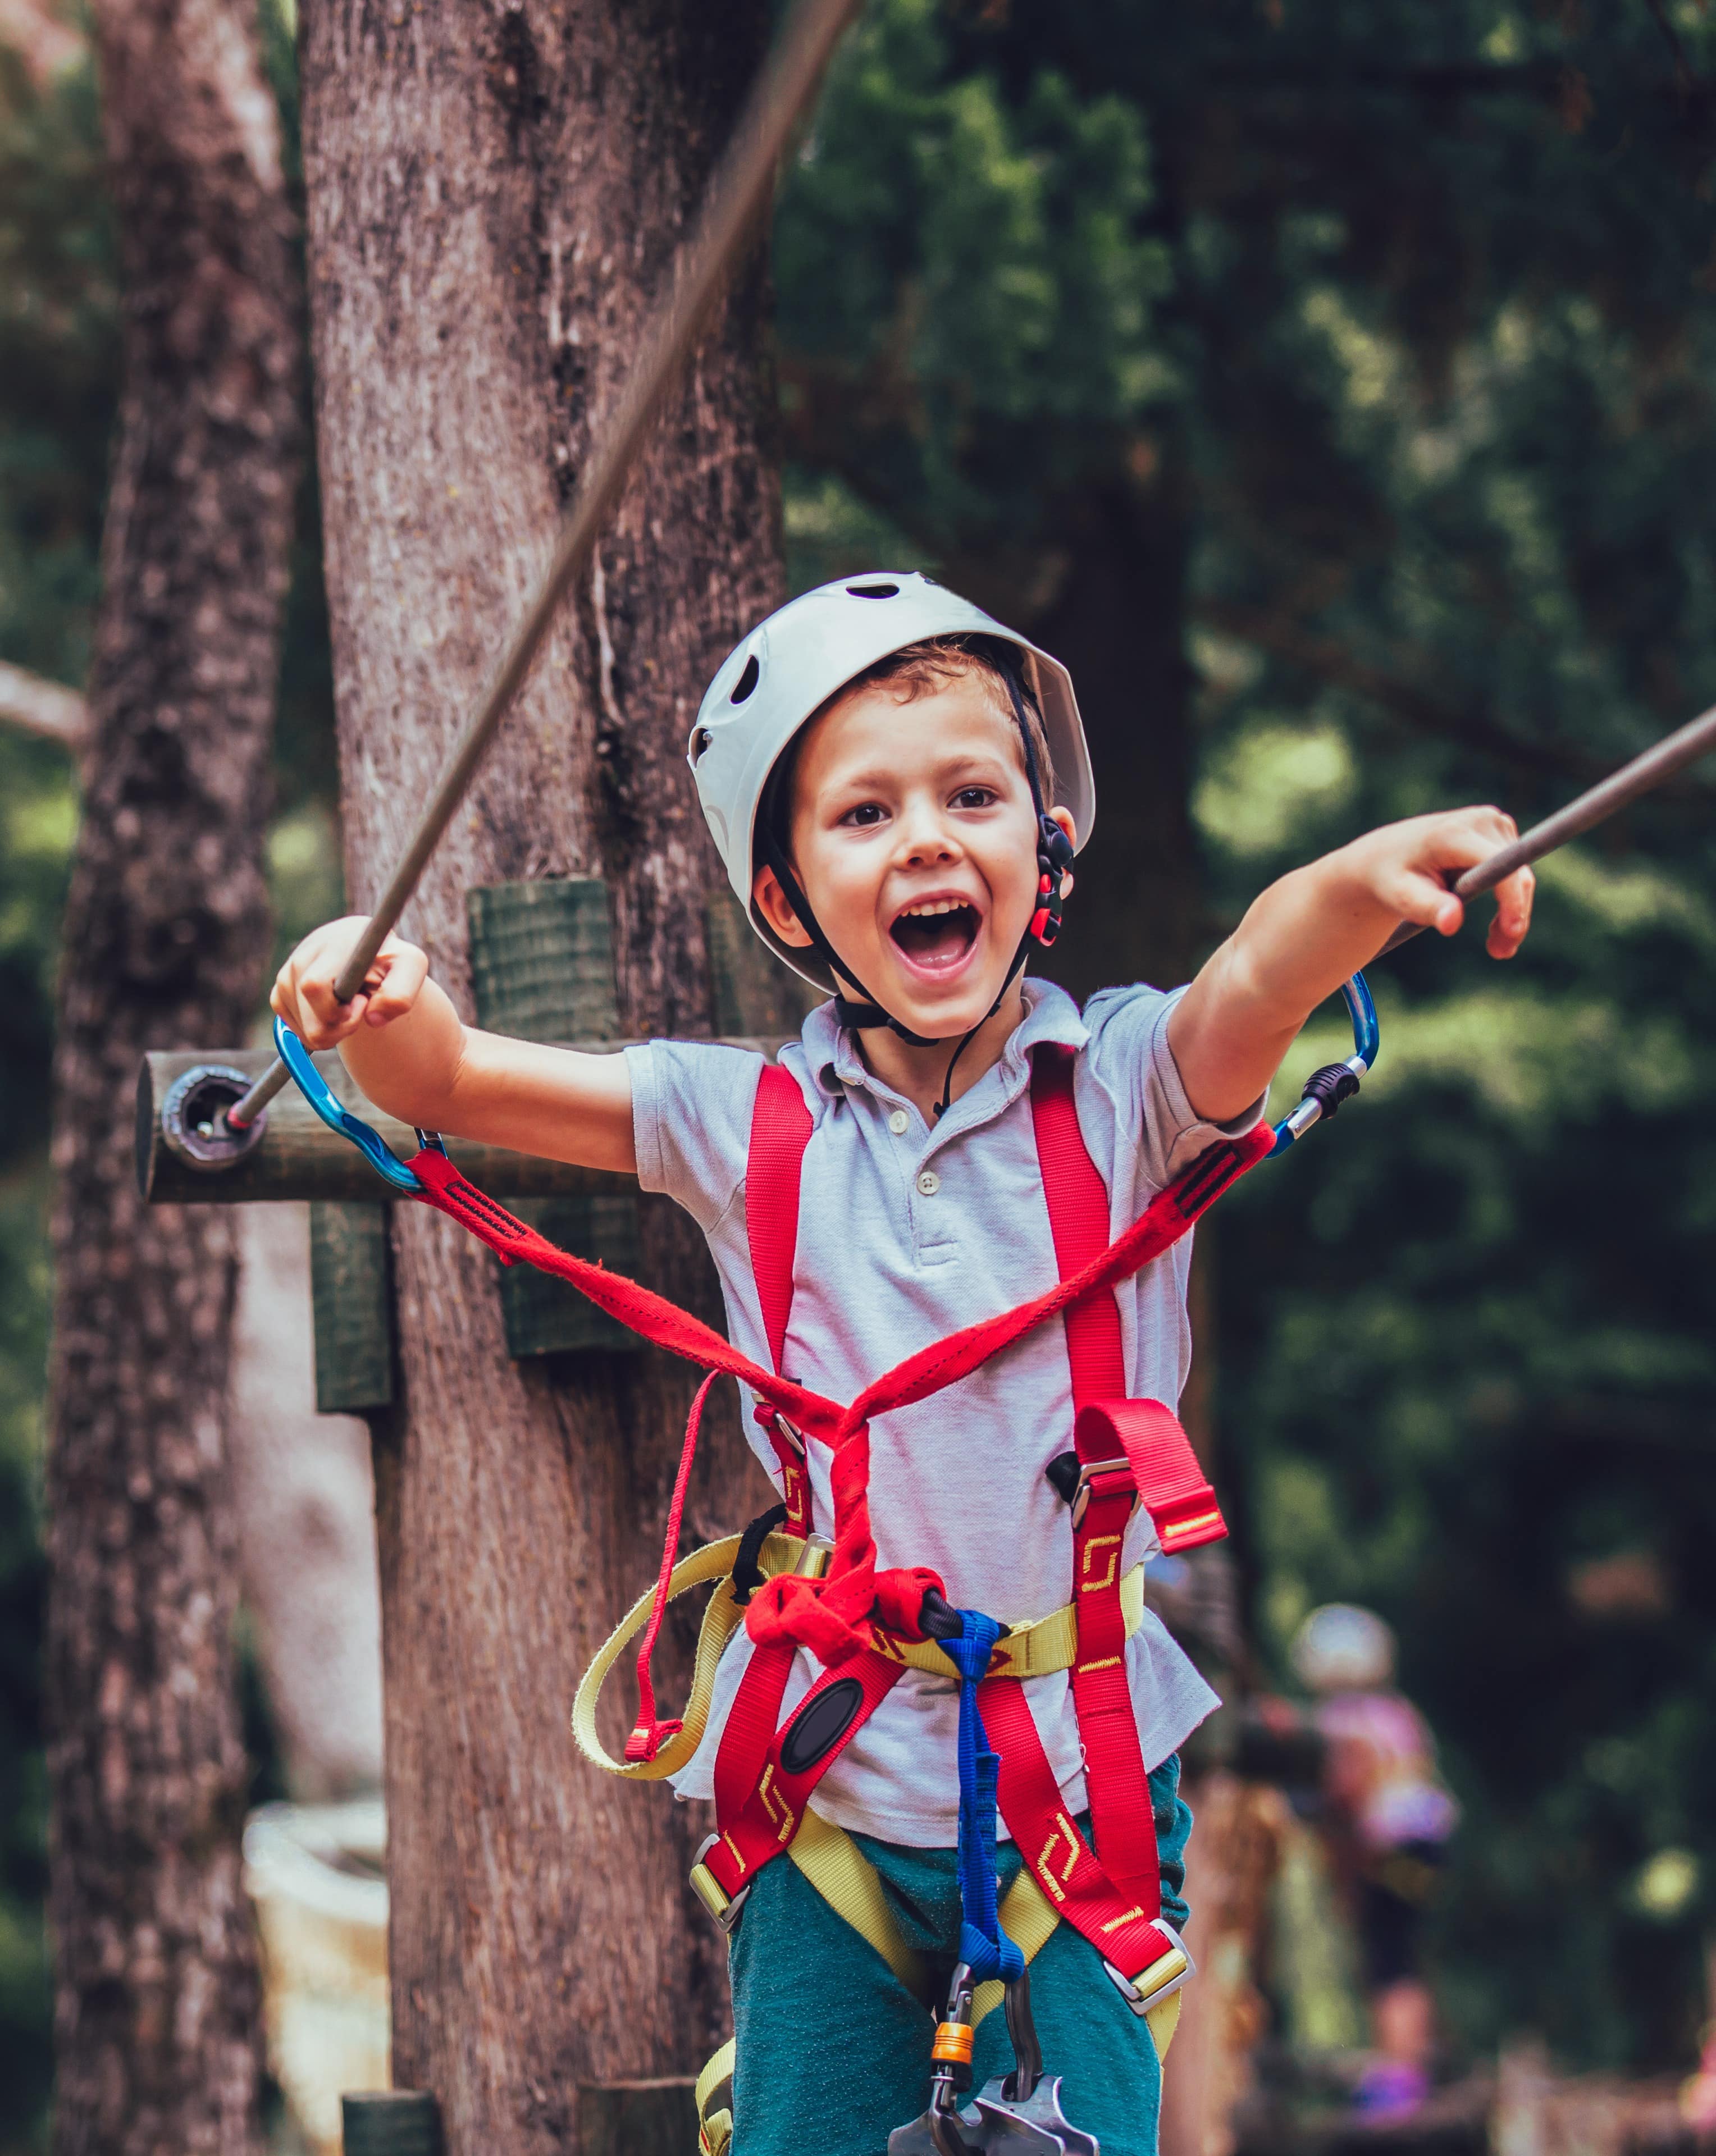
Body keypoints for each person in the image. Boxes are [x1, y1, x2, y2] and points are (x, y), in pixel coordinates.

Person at [271, 575, 1533, 2156]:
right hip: (833, 1791)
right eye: (865, 813)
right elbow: (452, 1078)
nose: (930, 840)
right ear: (790, 901)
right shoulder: (740, 1122)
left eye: (973, 796)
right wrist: (362, 982)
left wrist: (1360, 879)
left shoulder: (1132, 1088)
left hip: (1080, 1779)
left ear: (1045, 849)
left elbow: (1263, 975)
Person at [1291, 1602, 1459, 2121]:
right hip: (1425, 1843)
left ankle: (1400, 2078)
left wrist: (1345, 1866)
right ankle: (1412, 2059)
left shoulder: (1336, 1724)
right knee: (1403, 1951)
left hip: (1386, 1849)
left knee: (1388, 1959)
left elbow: (1346, 1799)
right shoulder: (1397, 1714)